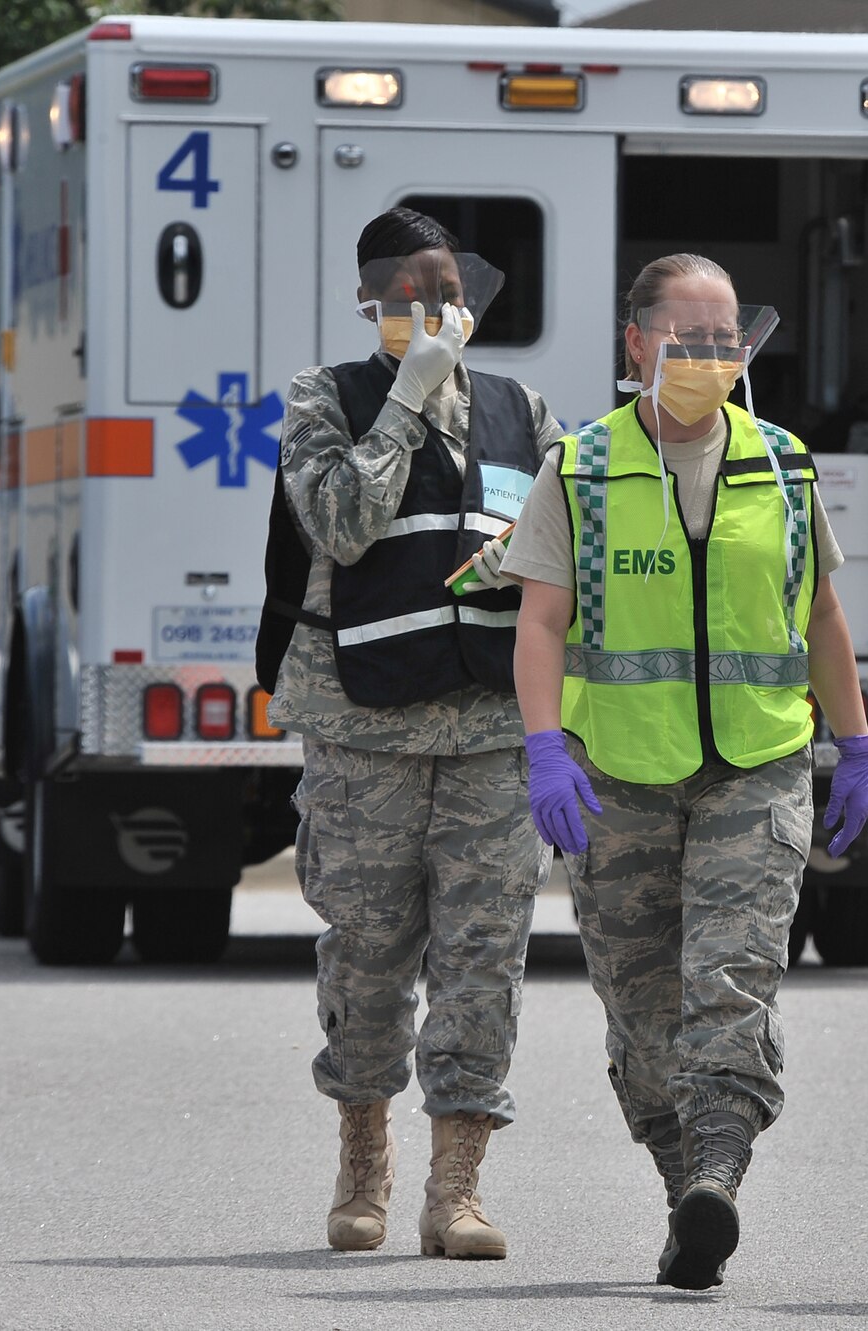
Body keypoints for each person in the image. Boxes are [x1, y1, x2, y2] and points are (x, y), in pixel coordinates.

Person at [501, 253, 868, 1290]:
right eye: (687, 338)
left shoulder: (785, 465)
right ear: (636, 344)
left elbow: (822, 614)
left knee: (731, 977)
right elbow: (538, 622)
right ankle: (684, 1191)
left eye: (726, 342)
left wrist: (854, 743)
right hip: (615, 776)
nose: (709, 359)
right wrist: (542, 748)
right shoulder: (576, 470)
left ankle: (718, 1169)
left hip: (754, 768)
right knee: (639, 1010)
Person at [259, 206, 561, 1260]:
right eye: (408, 295)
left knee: (485, 960)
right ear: (370, 302)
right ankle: (362, 1161)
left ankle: (457, 1188)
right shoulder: (323, 399)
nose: (432, 311)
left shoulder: (525, 411)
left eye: (446, 293)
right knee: (367, 959)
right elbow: (341, 521)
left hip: (487, 727)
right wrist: (404, 396)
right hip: (362, 732)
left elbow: (564, 557)